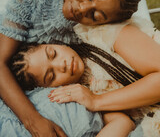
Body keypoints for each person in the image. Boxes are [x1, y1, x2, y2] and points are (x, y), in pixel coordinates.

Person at [0, 0, 141, 136]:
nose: (82, 9)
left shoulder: (91, 40)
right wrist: (34, 121)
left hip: (44, 83)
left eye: (96, 15)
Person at [6, 42, 135, 137]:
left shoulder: (98, 41)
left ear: (54, 43)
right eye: (52, 76)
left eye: (53, 53)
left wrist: (96, 101)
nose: (61, 65)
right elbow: (124, 121)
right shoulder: (76, 99)